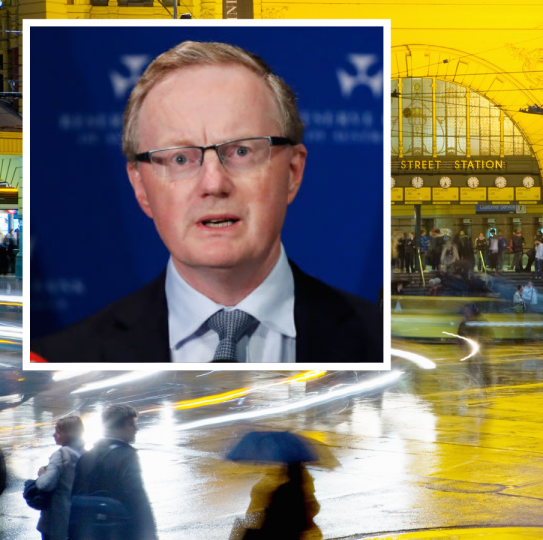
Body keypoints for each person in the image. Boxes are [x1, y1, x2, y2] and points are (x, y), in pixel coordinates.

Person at [32, 41, 380, 364]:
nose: (213, 184)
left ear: (292, 171)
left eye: (242, 151)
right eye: (180, 159)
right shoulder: (63, 362)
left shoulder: (385, 344)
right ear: (140, 185)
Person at [71, 404, 157, 540]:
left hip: (88, 532)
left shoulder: (86, 457)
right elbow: (137, 499)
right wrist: (149, 534)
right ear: (117, 427)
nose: (136, 428)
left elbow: (75, 494)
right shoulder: (126, 456)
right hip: (118, 531)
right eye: (131, 424)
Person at [35, 416, 85, 540]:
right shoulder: (85, 454)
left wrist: (41, 475)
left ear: (68, 434)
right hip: (79, 517)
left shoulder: (61, 455)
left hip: (57, 519)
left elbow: (46, 484)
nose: (54, 435)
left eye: (58, 431)